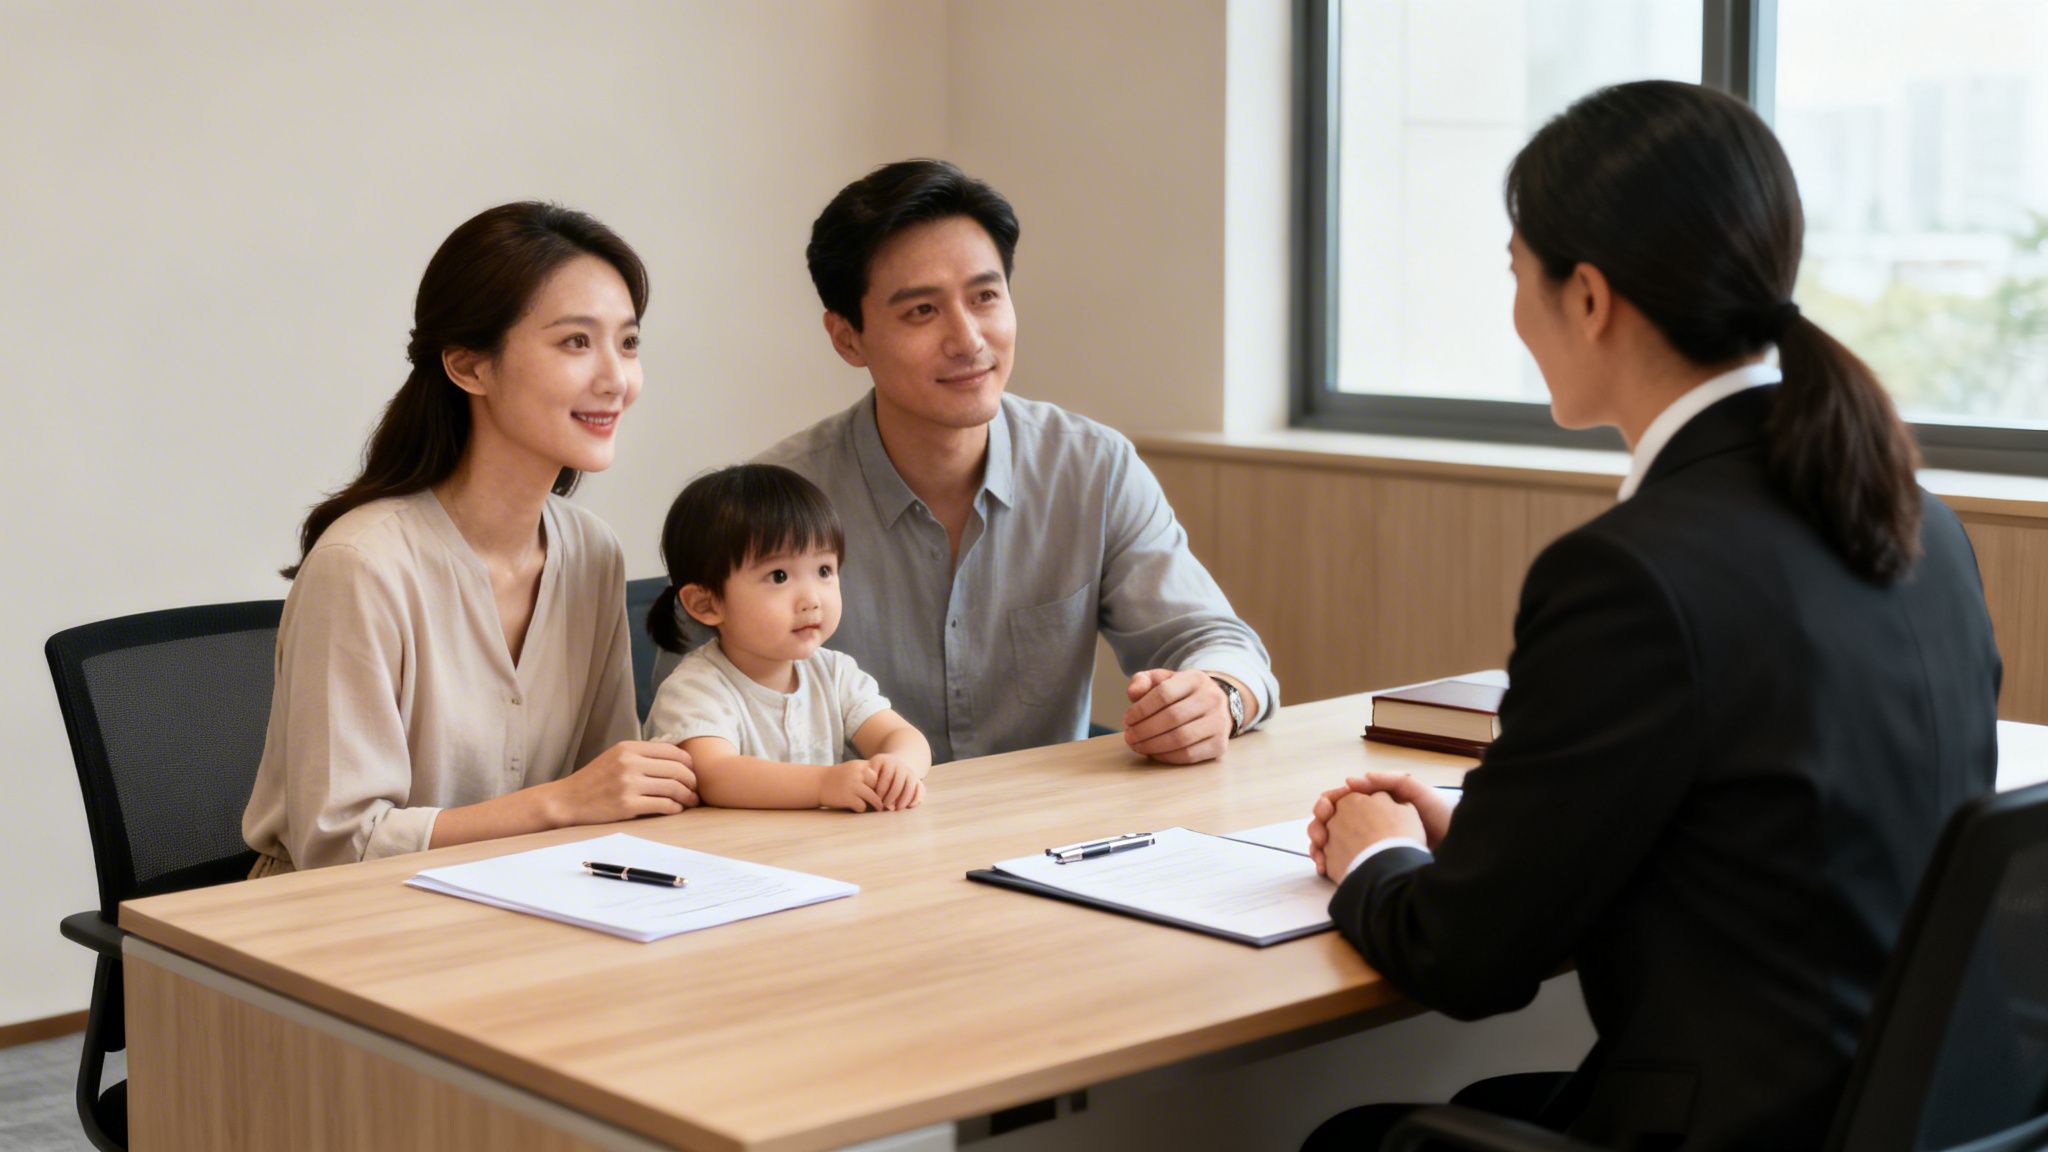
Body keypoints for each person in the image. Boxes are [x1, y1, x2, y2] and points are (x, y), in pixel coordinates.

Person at [1303, 81, 2001, 1150]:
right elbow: (1769, 833)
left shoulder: (1629, 573)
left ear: (1586, 297)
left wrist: (1374, 857)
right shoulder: (1919, 524)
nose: (1514, 314)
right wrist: (1490, 842)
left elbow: (1466, 962)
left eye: (1515, 276)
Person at [657, 159, 1279, 765]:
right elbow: (683, 736)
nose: (969, 339)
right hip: (841, 848)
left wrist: (1217, 698)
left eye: (985, 296)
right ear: (848, 337)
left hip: (1047, 845)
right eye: (921, 311)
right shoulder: (772, 503)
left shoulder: (1092, 468)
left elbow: (1214, 642)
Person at [243, 202, 699, 873]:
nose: (617, 380)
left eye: (627, 343)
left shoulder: (592, 553)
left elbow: (611, 791)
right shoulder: (362, 564)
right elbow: (338, 843)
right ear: (469, 367)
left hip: (526, 905)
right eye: (576, 342)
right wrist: (560, 804)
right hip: (342, 929)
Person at [642, 464, 931, 812]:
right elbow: (717, 774)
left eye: (824, 570)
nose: (811, 598)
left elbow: (900, 736)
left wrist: (898, 766)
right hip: (729, 857)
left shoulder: (834, 672)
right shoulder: (694, 689)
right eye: (779, 576)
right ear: (707, 603)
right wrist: (825, 783)